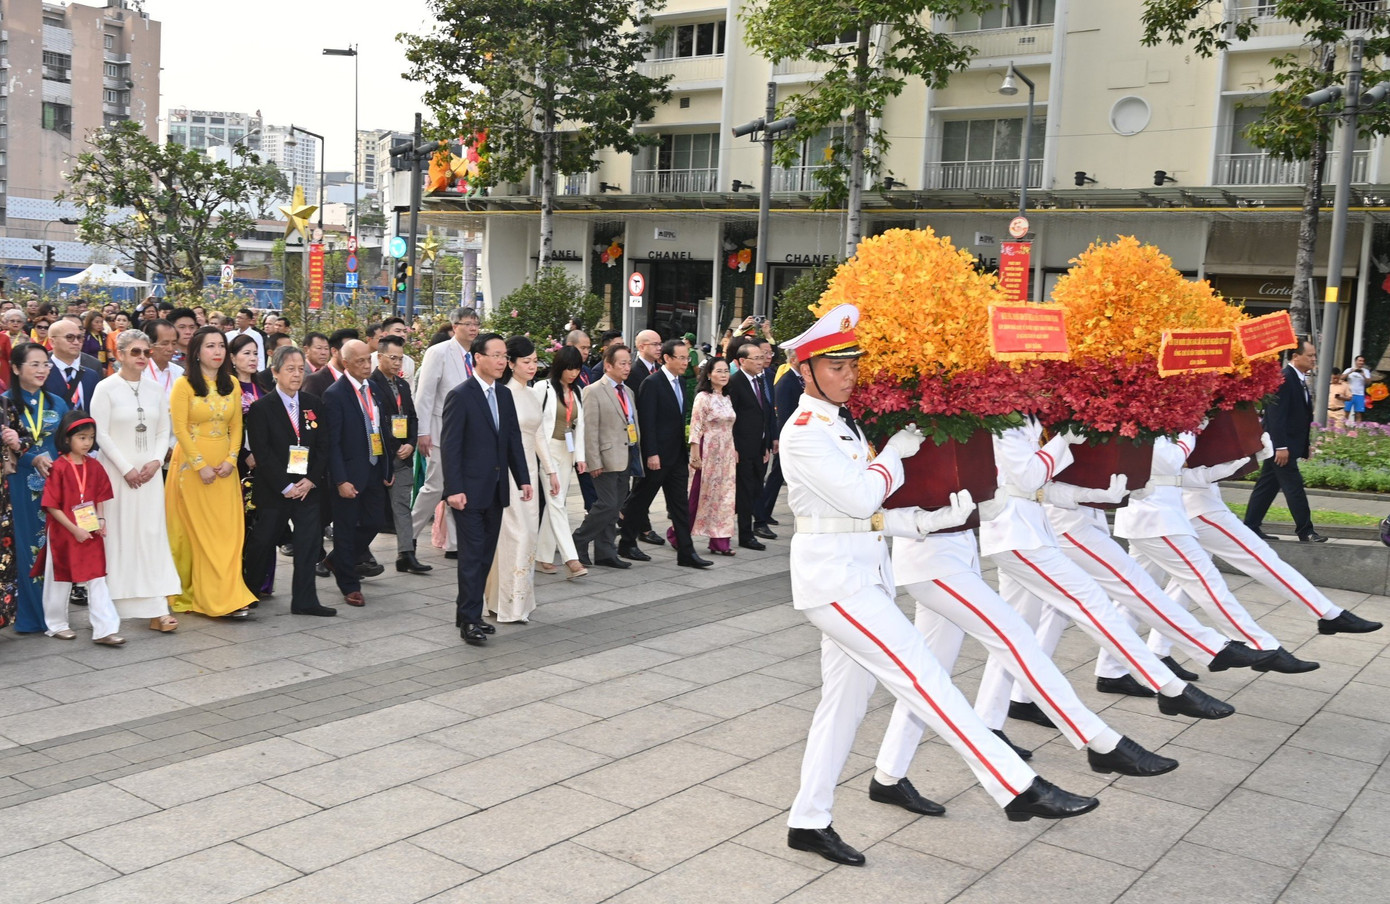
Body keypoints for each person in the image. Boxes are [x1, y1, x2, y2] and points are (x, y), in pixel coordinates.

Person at [777, 305, 1098, 868]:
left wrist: (920, 523)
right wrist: (897, 457)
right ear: (805, 370)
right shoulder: (803, 432)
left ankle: (808, 819)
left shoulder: (839, 423)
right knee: (923, 676)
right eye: (835, 365)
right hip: (835, 582)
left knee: (844, 705)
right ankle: (1017, 787)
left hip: (858, 570)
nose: (849, 374)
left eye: (854, 363)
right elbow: (858, 497)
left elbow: (851, 516)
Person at [442, 332, 532, 645]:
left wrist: (523, 478)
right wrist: (453, 488)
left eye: (504, 356)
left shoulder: (503, 395)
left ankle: (467, 612)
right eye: (495, 355)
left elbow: (512, 439)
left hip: (495, 489)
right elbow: (450, 447)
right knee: (471, 555)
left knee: (484, 556)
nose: (501, 361)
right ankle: (470, 619)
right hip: (467, 492)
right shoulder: (461, 395)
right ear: (477, 357)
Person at [91, 330, 181, 633]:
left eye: (145, 352)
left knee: (151, 536)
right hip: (117, 476)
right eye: (135, 352)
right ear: (120, 354)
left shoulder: (156, 390)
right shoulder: (105, 388)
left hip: (150, 477)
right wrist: (126, 468)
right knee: (118, 537)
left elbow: (161, 431)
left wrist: (156, 461)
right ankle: (110, 609)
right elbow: (100, 434)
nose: (142, 357)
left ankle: (157, 608)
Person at [166, 327, 256, 619]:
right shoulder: (184, 385)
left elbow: (237, 426)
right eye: (210, 346)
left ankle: (230, 593)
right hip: (193, 468)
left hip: (225, 468)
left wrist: (232, 459)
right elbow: (179, 429)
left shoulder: (231, 383)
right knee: (201, 535)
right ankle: (210, 598)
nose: (217, 352)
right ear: (196, 351)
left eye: (220, 346)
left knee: (227, 533)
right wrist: (200, 465)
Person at [243, 345, 336, 617]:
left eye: (300, 369)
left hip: (307, 488)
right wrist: (285, 486)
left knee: (308, 544)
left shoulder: (312, 404)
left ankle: (305, 600)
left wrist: (310, 480)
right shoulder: (262, 408)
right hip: (275, 489)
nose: (297, 375)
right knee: (262, 542)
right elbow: (262, 451)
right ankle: (247, 593)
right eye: (290, 369)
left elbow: (323, 446)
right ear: (275, 373)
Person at [484, 337, 558, 623]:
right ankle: (508, 603)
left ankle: (514, 600)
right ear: (510, 364)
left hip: (529, 473)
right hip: (511, 474)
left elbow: (538, 434)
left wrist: (550, 471)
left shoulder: (530, 394)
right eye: (525, 362)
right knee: (518, 535)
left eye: (534, 361)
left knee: (526, 536)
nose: (532, 366)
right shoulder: (506, 394)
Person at [620, 338, 710, 568]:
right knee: (640, 500)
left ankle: (686, 553)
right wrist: (651, 453)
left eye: (687, 357)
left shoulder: (680, 382)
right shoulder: (653, 383)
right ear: (667, 358)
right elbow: (647, 421)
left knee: (679, 504)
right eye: (680, 358)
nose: (685, 362)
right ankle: (627, 542)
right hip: (657, 456)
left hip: (677, 456)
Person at [40, 411, 124, 645]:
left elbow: (99, 497)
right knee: (59, 578)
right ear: (67, 439)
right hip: (63, 532)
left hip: (90, 529)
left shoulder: (95, 466)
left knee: (97, 576)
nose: (87, 443)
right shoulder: (58, 467)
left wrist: (101, 520)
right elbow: (52, 506)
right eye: (81, 438)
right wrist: (73, 529)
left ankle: (105, 629)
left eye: (90, 438)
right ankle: (56, 624)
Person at [321, 339, 392, 608]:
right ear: (346, 363)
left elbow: (381, 430)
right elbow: (333, 443)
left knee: (374, 522)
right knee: (347, 528)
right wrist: (340, 479)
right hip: (349, 473)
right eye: (360, 361)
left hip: (373, 469)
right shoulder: (335, 394)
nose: (366, 365)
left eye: (368, 359)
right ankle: (349, 584)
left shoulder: (373, 388)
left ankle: (337, 559)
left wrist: (386, 467)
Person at [7, 342, 67, 634]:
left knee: (54, 545)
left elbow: (68, 443)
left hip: (56, 483)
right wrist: (31, 456)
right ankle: (30, 615)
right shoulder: (5, 404)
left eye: (46, 364)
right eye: (35, 364)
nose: (43, 370)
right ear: (16, 369)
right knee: (26, 546)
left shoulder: (57, 402)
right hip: (17, 485)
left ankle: (55, 612)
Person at [412, 308, 480, 559]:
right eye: (468, 324)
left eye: (476, 323)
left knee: (460, 486)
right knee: (435, 486)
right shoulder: (438, 352)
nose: (473, 328)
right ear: (454, 326)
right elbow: (426, 394)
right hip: (440, 431)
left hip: (469, 434)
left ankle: (454, 543)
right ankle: (408, 536)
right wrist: (422, 431)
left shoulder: (477, 354)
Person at [1245, 340, 1323, 542]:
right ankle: (1305, 531)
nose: (1314, 359)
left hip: (1287, 444)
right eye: (1310, 355)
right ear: (1295, 357)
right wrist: (1280, 446)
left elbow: (1300, 417)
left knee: (1267, 486)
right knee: (1294, 486)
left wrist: (1304, 445)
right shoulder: (1285, 378)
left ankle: (1250, 527)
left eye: (1314, 355)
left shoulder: (1297, 378)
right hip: (1281, 446)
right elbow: (1276, 416)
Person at [572, 344, 639, 570]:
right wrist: (594, 461)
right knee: (607, 505)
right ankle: (578, 540)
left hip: (625, 455)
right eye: (622, 363)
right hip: (605, 458)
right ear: (608, 365)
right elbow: (589, 429)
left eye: (629, 363)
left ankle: (605, 550)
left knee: (616, 506)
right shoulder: (593, 390)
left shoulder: (627, 391)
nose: (627, 367)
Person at [370, 335, 428, 575]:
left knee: (403, 506)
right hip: (381, 456)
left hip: (403, 455)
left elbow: (412, 417)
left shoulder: (403, 384)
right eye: (392, 358)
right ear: (380, 357)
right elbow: (377, 423)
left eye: (401, 359)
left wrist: (411, 444)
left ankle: (406, 554)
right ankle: (347, 555)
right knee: (371, 513)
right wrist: (394, 448)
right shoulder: (371, 384)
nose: (397, 363)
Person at [535, 345, 588, 579]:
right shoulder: (542, 388)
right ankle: (571, 558)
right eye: (569, 368)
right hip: (546, 451)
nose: (573, 373)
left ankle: (542, 556)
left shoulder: (577, 392)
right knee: (557, 503)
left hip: (567, 453)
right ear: (559, 367)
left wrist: (581, 457)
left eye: (577, 368)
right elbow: (534, 426)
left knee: (555, 503)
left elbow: (581, 427)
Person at [230, 334, 272, 596]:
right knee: (242, 522)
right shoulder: (228, 387)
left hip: (266, 465)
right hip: (239, 464)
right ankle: (240, 580)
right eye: (246, 353)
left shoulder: (263, 387)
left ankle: (262, 580)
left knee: (264, 522)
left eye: (255, 353)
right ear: (232, 358)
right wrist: (245, 454)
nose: (252, 358)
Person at [686, 357, 737, 556]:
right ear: (708, 374)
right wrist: (695, 453)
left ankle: (720, 541)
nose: (724, 375)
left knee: (724, 497)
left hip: (726, 453)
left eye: (726, 371)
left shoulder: (727, 397)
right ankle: (677, 534)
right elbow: (696, 426)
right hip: (707, 451)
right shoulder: (703, 397)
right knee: (698, 496)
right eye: (719, 371)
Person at [727, 341, 774, 550]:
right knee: (744, 492)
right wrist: (734, 447)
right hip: (742, 448)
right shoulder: (735, 383)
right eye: (755, 358)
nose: (761, 361)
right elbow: (731, 418)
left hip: (758, 446)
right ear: (742, 361)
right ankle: (745, 535)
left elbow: (764, 413)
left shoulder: (760, 381)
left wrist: (766, 443)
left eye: (762, 357)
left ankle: (752, 527)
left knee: (755, 488)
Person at [45, 320, 103, 412]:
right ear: (52, 342)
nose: (76, 342)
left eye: (79, 337)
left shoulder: (91, 375)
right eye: (69, 337)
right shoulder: (42, 374)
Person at [304, 328, 358, 397]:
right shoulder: (314, 380)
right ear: (334, 351)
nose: (323, 353)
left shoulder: (358, 377)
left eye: (326, 348)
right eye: (319, 348)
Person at [143, 319, 184, 402]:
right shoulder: (140, 372)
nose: (171, 349)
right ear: (150, 344)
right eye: (165, 344)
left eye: (174, 343)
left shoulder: (179, 372)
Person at [370, 317, 416, 382]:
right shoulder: (371, 360)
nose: (403, 334)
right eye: (398, 331)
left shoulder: (409, 362)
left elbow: (411, 388)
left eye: (405, 331)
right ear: (385, 334)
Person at [1342, 355, 1375, 427]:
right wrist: (1350, 372)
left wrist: (1363, 375)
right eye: (1360, 361)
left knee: (1358, 413)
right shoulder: (1349, 369)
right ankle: (1343, 430)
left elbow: (1369, 383)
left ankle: (1357, 431)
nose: (1361, 362)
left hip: (1360, 395)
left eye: (1362, 361)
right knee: (1346, 412)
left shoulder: (1366, 371)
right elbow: (1341, 378)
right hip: (1349, 394)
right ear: (1356, 361)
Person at [80, 310, 110, 375]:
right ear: (90, 322)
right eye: (96, 322)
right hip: (90, 367)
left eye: (101, 322)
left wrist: (105, 367)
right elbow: (85, 354)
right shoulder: (86, 336)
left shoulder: (104, 336)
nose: (99, 324)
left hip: (104, 367)